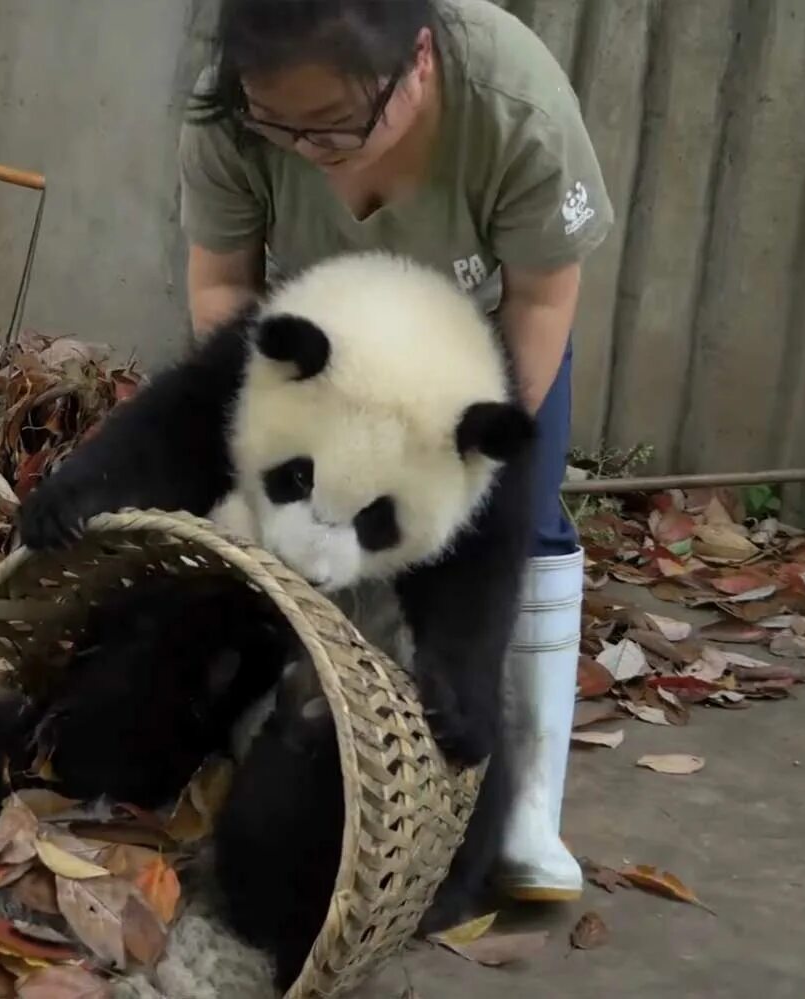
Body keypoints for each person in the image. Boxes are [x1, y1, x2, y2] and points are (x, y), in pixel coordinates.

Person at [180, 0, 612, 903]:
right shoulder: (226, 112)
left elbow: (540, 299)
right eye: (279, 125)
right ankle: (282, 735)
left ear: (418, 61)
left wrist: (470, 468)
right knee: (255, 517)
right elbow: (225, 287)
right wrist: (279, 425)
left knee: (514, 526)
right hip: (318, 350)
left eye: (335, 124)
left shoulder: (516, 109)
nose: (308, 148)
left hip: (479, 353)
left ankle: (527, 805)